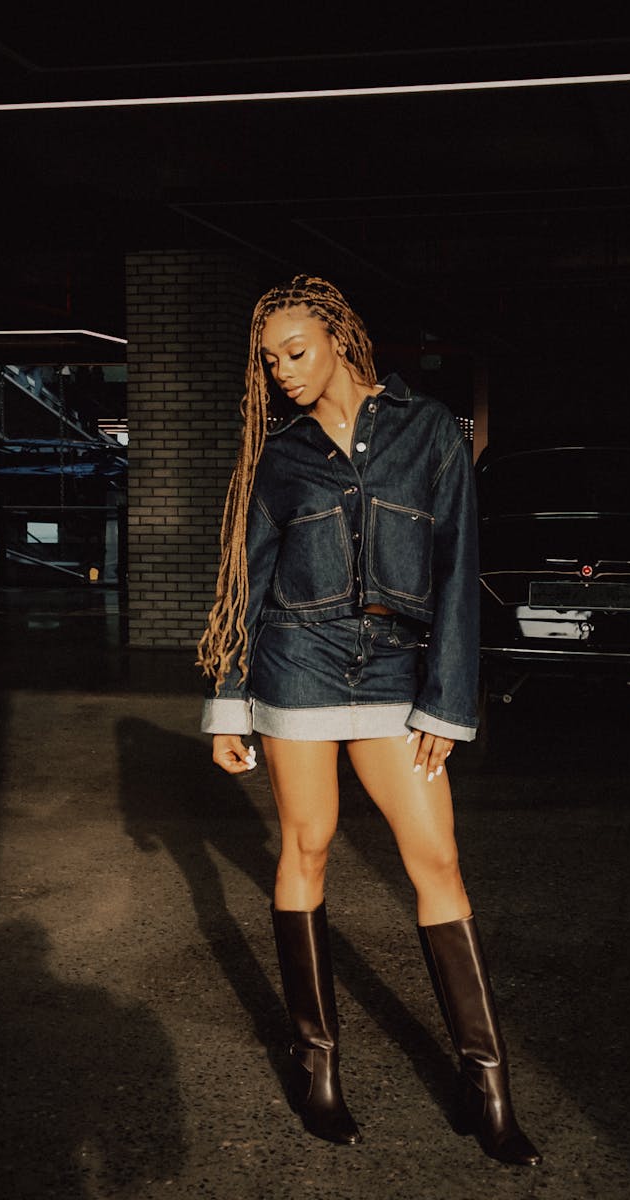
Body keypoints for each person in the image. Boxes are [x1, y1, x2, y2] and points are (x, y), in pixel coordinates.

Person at [197, 275, 540, 1166]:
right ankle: (316, 1066)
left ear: (340, 339)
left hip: (395, 667)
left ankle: (487, 1084)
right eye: (269, 361)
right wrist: (230, 702)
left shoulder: (429, 432)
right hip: (297, 664)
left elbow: (458, 567)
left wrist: (448, 701)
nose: (281, 371)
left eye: (295, 352)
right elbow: (246, 582)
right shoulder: (280, 455)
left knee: (438, 862)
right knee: (306, 847)